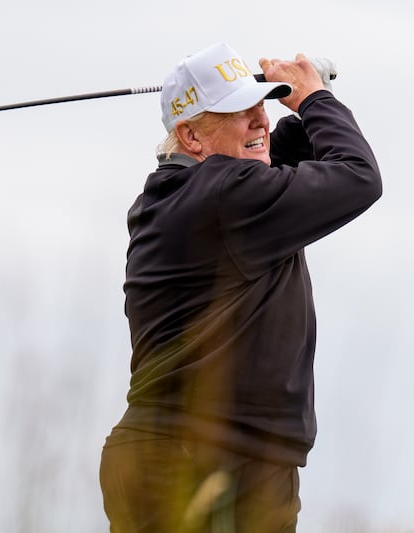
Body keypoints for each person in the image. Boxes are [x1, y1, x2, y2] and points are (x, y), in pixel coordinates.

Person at [99, 43, 382, 532]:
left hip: (204, 456)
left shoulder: (190, 195)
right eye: (237, 111)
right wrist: (315, 101)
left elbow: (279, 158)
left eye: (261, 106)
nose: (260, 120)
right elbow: (358, 178)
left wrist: (311, 99)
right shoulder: (226, 197)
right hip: (204, 459)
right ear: (190, 136)